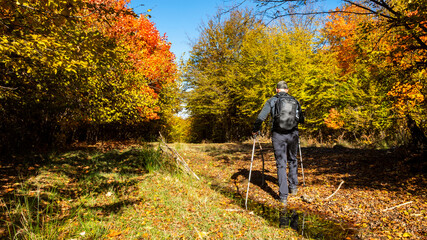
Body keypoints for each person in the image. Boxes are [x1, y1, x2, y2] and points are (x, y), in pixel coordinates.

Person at [252, 81, 304, 205]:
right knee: (292, 160)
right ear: (287, 90)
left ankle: (283, 196)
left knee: (281, 163)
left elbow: (261, 117)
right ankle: (293, 187)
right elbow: (301, 120)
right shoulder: (295, 101)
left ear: (276, 90)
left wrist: (255, 130)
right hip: (293, 134)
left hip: (278, 135)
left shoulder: (272, 100)